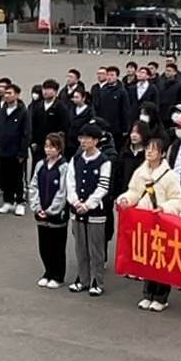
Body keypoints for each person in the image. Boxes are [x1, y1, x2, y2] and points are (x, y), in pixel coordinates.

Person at [118, 137, 181, 311]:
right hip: (145, 222)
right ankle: (147, 294)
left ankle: (161, 297)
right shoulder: (140, 172)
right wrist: (125, 199)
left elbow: (179, 201)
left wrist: (164, 208)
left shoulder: (169, 175)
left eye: (154, 149)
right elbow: (134, 191)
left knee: (162, 260)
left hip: (163, 222)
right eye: (148, 148)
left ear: (162, 153)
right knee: (148, 258)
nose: (149, 152)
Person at [66, 123, 113, 296]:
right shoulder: (76, 159)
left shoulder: (104, 161)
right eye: (81, 138)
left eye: (87, 138)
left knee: (96, 248)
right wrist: (75, 201)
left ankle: (97, 280)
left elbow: (103, 186)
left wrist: (88, 204)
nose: (83, 141)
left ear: (96, 140)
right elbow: (70, 182)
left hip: (96, 211)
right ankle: (82, 278)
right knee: (80, 246)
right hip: (77, 209)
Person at [30, 133, 72, 288]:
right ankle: (47, 271)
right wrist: (37, 206)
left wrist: (51, 210)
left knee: (57, 246)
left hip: (57, 214)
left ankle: (58, 275)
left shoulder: (64, 167)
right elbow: (33, 185)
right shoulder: (40, 164)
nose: (48, 150)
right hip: (41, 211)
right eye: (47, 146)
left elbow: (63, 191)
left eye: (52, 147)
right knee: (44, 245)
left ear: (59, 149)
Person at [0, 83, 31, 216]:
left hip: (17, 152)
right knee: (5, 177)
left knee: (17, 178)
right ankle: (8, 201)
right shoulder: (1, 112)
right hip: (3, 151)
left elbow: (26, 133)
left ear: (17, 95)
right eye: (6, 93)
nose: (7, 96)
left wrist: (22, 152)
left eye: (10, 93)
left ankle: (20, 202)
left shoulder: (23, 112)